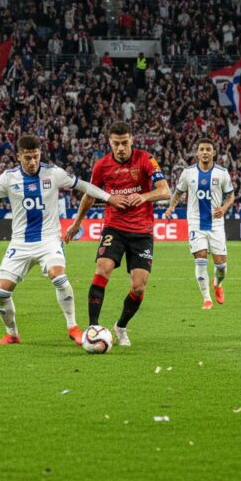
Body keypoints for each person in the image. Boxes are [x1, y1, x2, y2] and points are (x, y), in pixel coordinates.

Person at [0, 135, 127, 345]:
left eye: (36, 156)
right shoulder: (8, 178)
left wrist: (109, 198)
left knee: (58, 276)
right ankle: (12, 334)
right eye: (27, 158)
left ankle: (73, 327)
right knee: (2, 292)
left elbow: (84, 186)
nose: (32, 162)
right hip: (20, 243)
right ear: (18, 156)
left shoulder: (53, 173)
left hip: (48, 239)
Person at [63, 121, 170, 347]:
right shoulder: (102, 166)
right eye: (116, 143)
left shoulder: (146, 159)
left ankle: (120, 326)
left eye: (124, 143)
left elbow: (164, 191)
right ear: (109, 142)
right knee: (103, 268)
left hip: (142, 231)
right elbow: (89, 196)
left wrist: (143, 196)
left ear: (131, 139)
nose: (120, 148)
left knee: (139, 286)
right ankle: (93, 327)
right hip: (115, 227)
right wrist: (76, 223)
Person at [164, 139, 235, 309]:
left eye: (208, 149)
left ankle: (217, 284)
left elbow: (231, 196)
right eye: (202, 149)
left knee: (221, 267)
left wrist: (224, 208)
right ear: (197, 153)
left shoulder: (222, 173)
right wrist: (171, 207)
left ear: (213, 153)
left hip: (216, 223)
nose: (205, 152)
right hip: (195, 223)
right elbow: (178, 192)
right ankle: (206, 298)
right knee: (201, 259)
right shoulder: (188, 173)